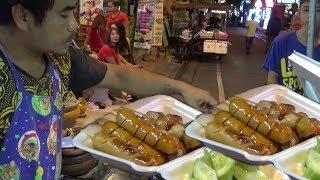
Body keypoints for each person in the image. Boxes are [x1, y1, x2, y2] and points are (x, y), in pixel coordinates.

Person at [0, 1, 216, 178]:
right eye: (65, 14)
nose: (74, 25)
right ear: (23, 16)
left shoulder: (60, 60)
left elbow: (119, 74)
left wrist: (181, 88)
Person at [263, 0, 320, 95]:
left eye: (318, 10)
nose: (311, 15)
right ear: (300, 13)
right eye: (306, 10)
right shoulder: (281, 42)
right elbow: (272, 79)